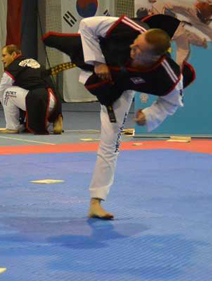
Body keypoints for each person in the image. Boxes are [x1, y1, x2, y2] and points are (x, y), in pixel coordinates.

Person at [43, 15, 194, 220]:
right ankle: (77, 53)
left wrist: (149, 116)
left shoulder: (168, 76)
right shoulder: (129, 29)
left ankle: (96, 202)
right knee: (57, 41)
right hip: (99, 59)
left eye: (138, 49)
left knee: (111, 141)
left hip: (119, 88)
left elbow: (171, 103)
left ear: (154, 57)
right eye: (136, 42)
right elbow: (87, 25)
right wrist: (97, 62)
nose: (133, 45)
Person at [0, 45, 63, 135]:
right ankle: (53, 121)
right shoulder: (35, 63)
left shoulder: (13, 66)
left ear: (13, 54)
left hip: (37, 100)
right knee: (29, 92)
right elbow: (52, 86)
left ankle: (12, 127)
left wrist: (6, 105)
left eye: (4, 55)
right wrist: (58, 112)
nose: (2, 59)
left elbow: (2, 90)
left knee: (7, 93)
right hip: (51, 101)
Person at [148, 0, 212, 55]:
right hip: (192, 10)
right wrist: (211, 0)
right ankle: (158, 1)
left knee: (211, 32)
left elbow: (210, 13)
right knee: (178, 5)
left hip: (197, 19)